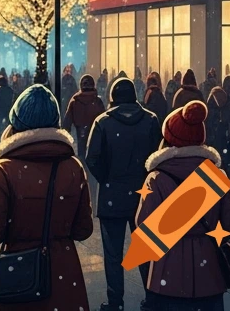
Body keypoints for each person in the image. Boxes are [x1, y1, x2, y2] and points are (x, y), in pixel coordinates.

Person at [0, 84, 93, 311]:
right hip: (64, 275)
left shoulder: (3, 170)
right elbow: (83, 229)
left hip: (19, 276)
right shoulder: (73, 167)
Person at [137, 101, 230, 310]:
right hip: (209, 275)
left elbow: (144, 228)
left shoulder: (157, 178)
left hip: (167, 275)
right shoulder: (216, 177)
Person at [84, 76, 162, 311]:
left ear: (113, 98)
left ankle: (115, 301)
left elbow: (91, 158)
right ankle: (152, 299)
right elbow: (158, 156)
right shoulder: (150, 120)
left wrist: (107, 179)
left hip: (112, 197)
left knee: (112, 254)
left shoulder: (103, 122)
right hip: (144, 196)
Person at [62, 73, 105, 159]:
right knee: (95, 153)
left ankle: (83, 165)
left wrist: (65, 136)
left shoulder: (75, 100)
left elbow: (67, 121)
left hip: (80, 131)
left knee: (81, 153)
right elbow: (104, 119)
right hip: (96, 131)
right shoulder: (97, 101)